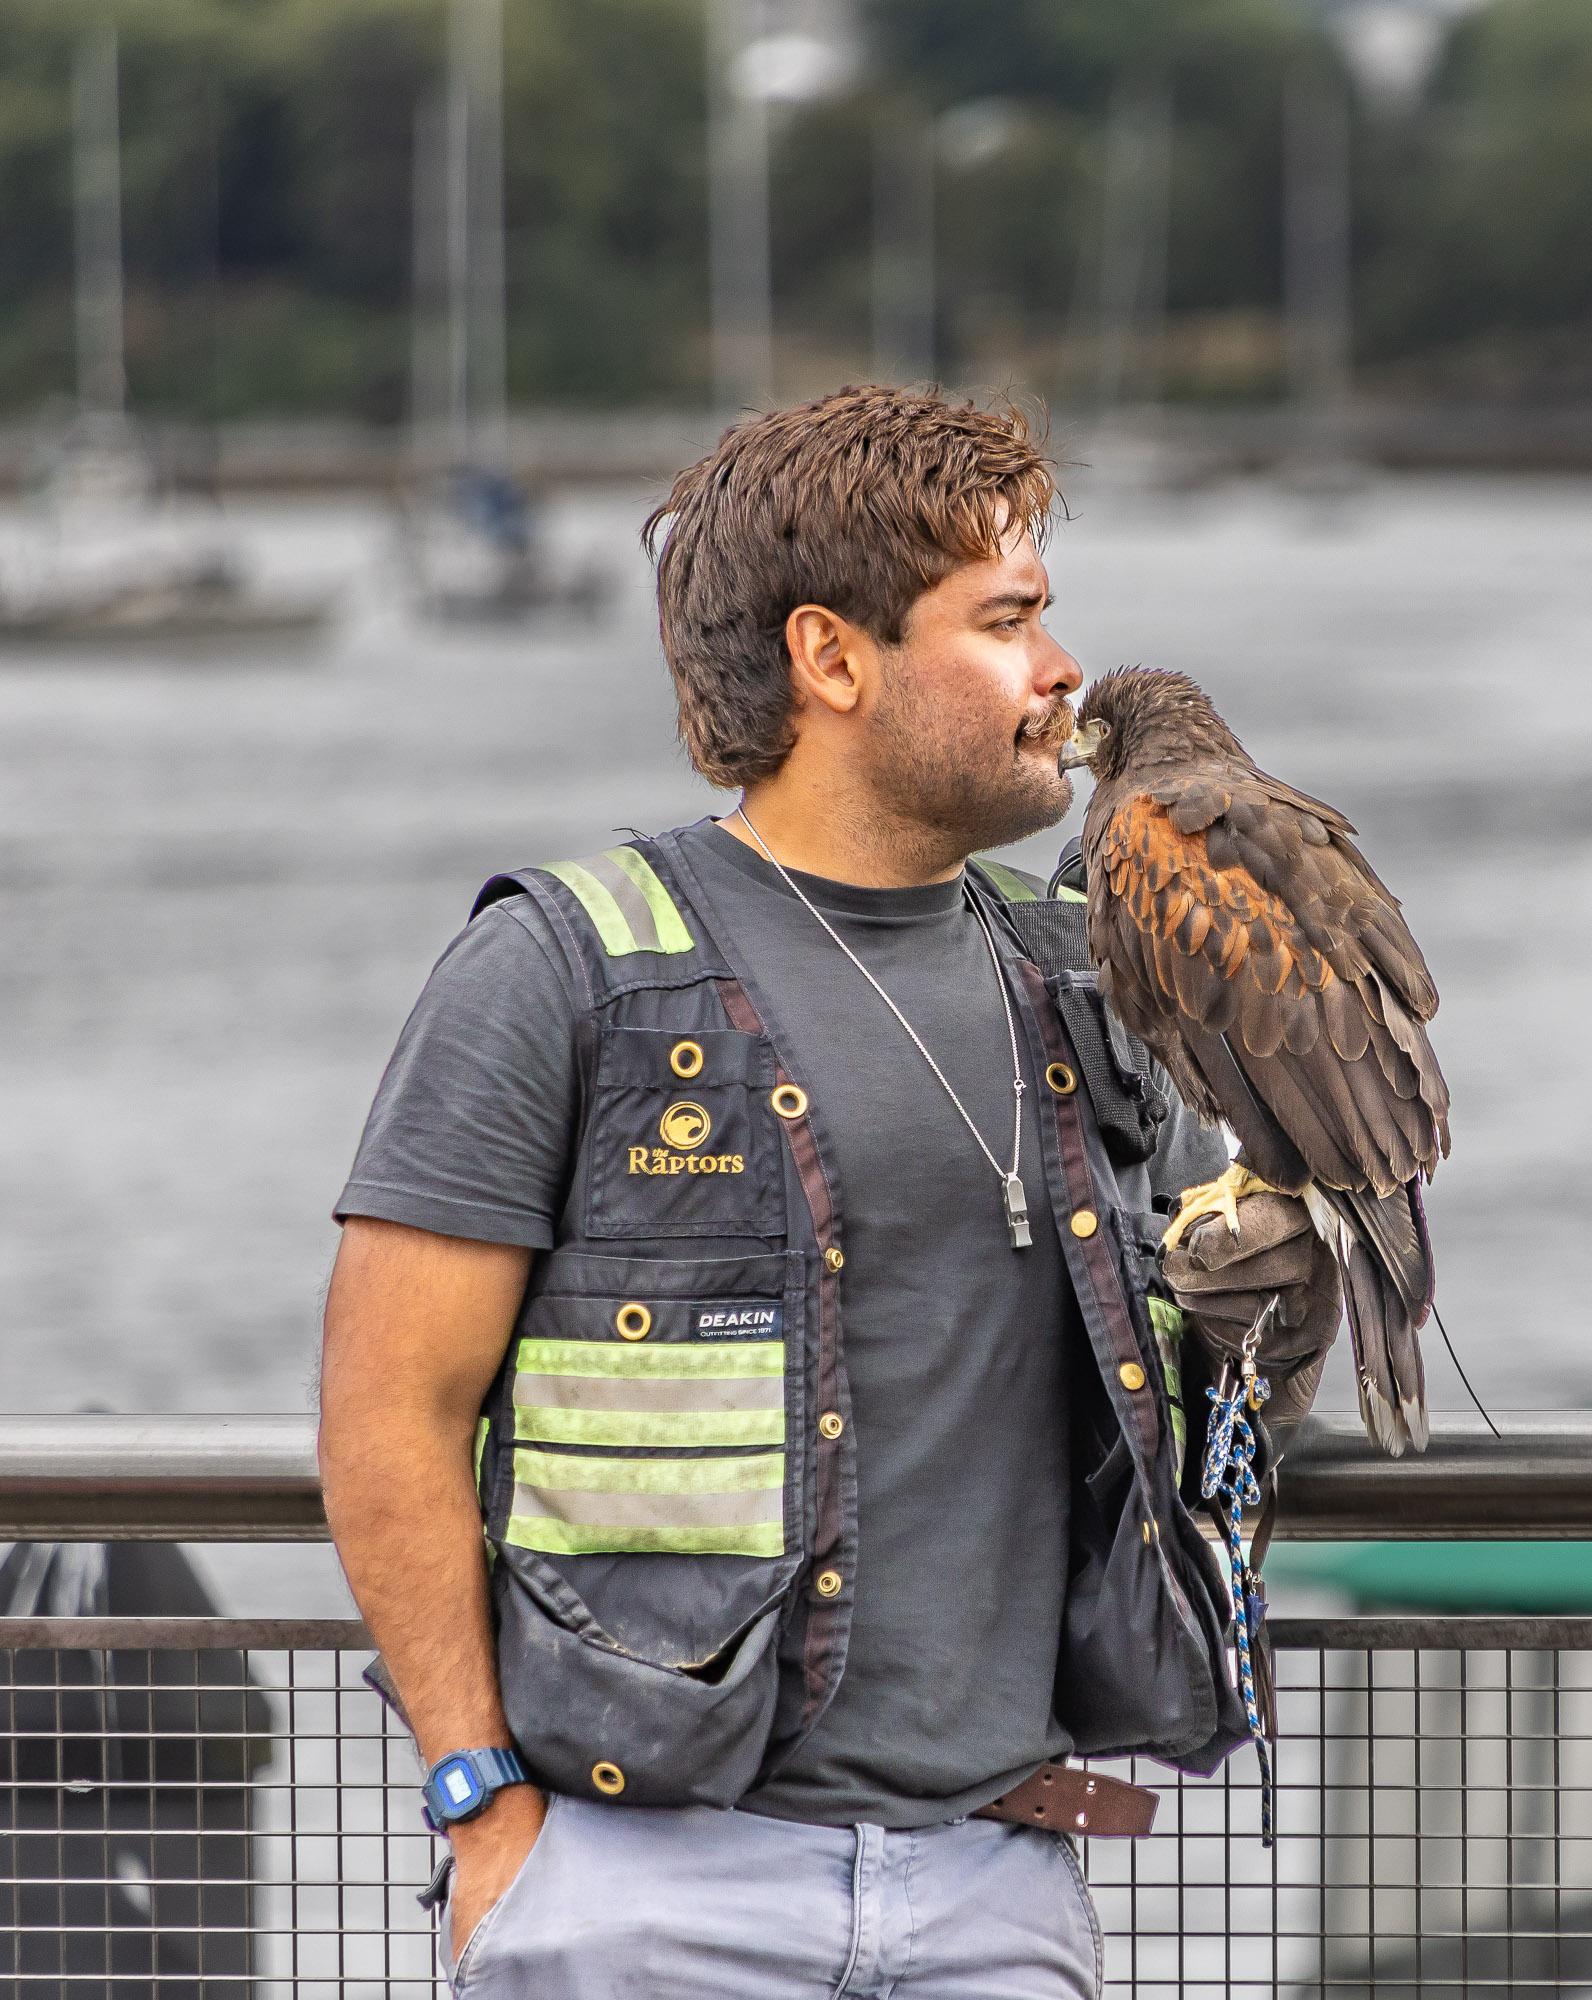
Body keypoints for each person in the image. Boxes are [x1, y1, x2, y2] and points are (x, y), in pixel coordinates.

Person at [318, 385, 1335, 1998]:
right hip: (641, 1891)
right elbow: (386, 1415)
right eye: (1006, 623)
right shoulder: (563, 968)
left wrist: (1273, 1314)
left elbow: (1221, 1397)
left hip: (999, 1896)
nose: (1062, 675)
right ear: (832, 658)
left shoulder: (1090, 977)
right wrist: (481, 1810)